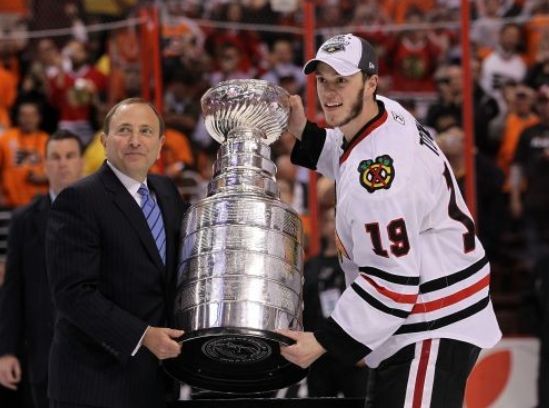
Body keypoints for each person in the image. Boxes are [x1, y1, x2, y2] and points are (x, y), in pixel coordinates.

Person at [278, 33, 501, 407]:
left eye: (342, 81)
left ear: (371, 83)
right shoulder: (387, 112)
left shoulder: (380, 183)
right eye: (323, 80)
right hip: (433, 306)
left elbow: (392, 282)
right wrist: (304, 131)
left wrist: (324, 342)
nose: (330, 92)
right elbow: (349, 154)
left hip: (431, 320)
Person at [46, 98, 187, 408]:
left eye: (146, 131)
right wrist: (143, 336)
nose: (135, 140)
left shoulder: (167, 192)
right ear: (104, 141)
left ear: (160, 145)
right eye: (124, 130)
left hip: (157, 382)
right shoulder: (79, 199)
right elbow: (73, 294)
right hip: (94, 385)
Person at [0, 129, 84, 408]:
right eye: (55, 157)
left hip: (97, 354)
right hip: (43, 352)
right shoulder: (23, 219)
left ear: (81, 162)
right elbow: (12, 290)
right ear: (45, 164)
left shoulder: (106, 212)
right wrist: (6, 351)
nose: (63, 164)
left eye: (69, 156)